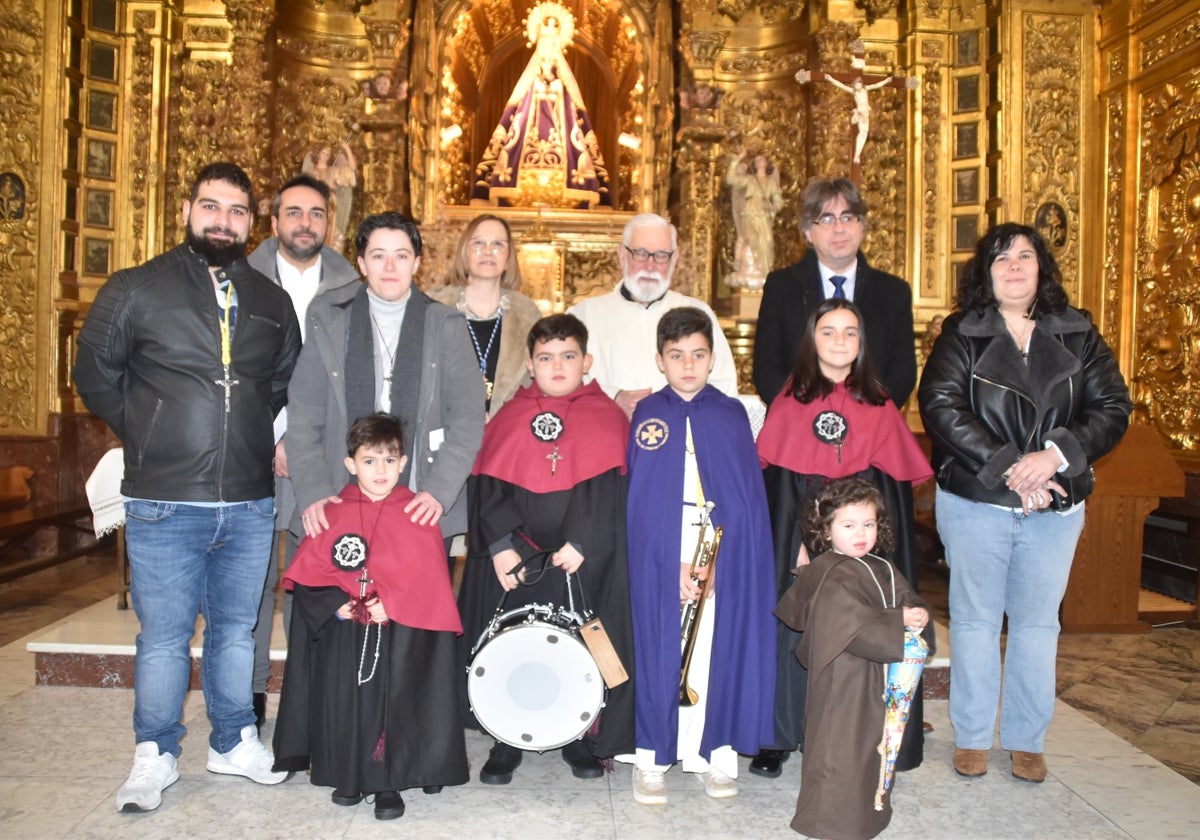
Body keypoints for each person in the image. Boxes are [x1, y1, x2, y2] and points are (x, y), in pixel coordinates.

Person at [73, 162, 302, 813]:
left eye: (236, 211)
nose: (222, 221)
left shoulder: (271, 301)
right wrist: (147, 429)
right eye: (211, 206)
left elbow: (284, 381)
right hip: (165, 501)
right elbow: (94, 370)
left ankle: (233, 742)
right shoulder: (135, 289)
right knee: (166, 637)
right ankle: (155, 754)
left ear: (250, 222)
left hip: (251, 501)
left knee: (236, 631)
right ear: (187, 210)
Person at [918, 222, 1131, 783]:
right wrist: (1014, 466)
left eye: (1025, 256)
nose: (1014, 266)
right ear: (985, 273)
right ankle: (971, 737)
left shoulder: (1079, 333)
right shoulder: (962, 332)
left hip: (1055, 501)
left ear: (1042, 267)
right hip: (977, 497)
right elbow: (940, 408)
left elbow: (1112, 407)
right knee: (975, 622)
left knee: (1038, 626)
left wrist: (1055, 455)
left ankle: (1026, 739)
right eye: (1001, 258)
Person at [754, 298, 933, 779]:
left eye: (849, 332)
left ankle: (863, 734)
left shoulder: (878, 404)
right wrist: (796, 550)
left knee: (859, 634)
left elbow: (890, 493)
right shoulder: (789, 402)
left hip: (861, 545)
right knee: (791, 632)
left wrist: (868, 547)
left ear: (862, 342)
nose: (839, 341)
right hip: (802, 549)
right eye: (828, 331)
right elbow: (782, 493)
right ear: (812, 340)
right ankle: (777, 735)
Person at [460, 313, 635, 785]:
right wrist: (500, 546)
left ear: (586, 361)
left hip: (579, 560)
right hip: (517, 560)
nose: (557, 367)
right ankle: (506, 738)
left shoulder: (606, 417)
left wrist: (584, 541)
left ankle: (578, 736)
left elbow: (608, 492)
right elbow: (490, 485)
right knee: (509, 647)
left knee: (577, 650)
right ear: (530, 364)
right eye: (545, 358)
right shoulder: (510, 417)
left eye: (567, 357)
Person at [272, 413, 469, 821]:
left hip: (399, 639)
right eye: (369, 460)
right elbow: (310, 578)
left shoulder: (418, 516)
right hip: (346, 637)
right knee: (346, 705)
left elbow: (429, 583)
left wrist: (392, 603)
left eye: (389, 460)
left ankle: (387, 784)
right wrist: (333, 605)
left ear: (403, 464)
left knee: (390, 707)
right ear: (350, 464)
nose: (380, 470)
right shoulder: (332, 512)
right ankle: (348, 774)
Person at [625, 307, 775, 804]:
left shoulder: (731, 414)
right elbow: (640, 503)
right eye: (676, 356)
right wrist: (672, 564)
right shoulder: (649, 415)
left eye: (697, 355)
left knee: (715, 652)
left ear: (712, 359)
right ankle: (652, 759)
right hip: (663, 555)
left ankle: (717, 755)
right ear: (660, 360)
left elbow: (746, 501)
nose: (687, 365)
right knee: (659, 647)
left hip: (721, 554)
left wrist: (719, 564)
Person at [283, 212, 484, 582]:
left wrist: (438, 492)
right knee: (337, 621)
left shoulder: (446, 326)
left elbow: (469, 420)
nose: (390, 267)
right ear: (361, 263)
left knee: (408, 621)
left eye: (401, 256)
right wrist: (313, 491)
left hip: (419, 497)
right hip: (338, 496)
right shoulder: (329, 321)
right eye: (378, 256)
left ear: (417, 263)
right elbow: (304, 418)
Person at [248, 173, 360, 730]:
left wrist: (308, 443)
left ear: (328, 223)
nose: (304, 224)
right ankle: (248, 696)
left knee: (313, 582)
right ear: (273, 222)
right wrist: (273, 437)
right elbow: (235, 374)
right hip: (254, 458)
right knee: (252, 584)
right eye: (293, 213)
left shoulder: (353, 286)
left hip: (323, 458)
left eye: (316, 214)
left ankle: (306, 696)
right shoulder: (240, 280)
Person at [774, 477, 932, 840]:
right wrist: (898, 621)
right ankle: (828, 821)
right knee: (839, 749)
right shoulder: (831, 572)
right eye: (848, 525)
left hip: (877, 677)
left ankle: (868, 812)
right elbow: (850, 627)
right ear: (826, 530)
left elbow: (906, 598)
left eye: (869, 524)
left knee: (870, 748)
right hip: (843, 682)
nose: (861, 533)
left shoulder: (882, 567)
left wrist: (917, 613)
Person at [752, 177, 915, 409]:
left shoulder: (893, 292)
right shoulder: (782, 286)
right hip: (798, 426)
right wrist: (804, 414)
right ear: (808, 232)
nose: (839, 229)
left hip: (870, 429)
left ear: (862, 226)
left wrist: (865, 414)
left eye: (847, 217)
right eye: (827, 219)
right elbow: (766, 369)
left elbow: (902, 373)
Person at [569, 213, 739, 418]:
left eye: (661, 255)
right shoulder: (584, 316)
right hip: (609, 436)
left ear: (674, 259)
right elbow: (563, 383)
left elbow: (724, 387)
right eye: (640, 253)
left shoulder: (698, 314)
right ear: (622, 254)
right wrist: (614, 398)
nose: (650, 266)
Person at [470, 2, 610, 208]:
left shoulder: (565, 81)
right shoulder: (530, 79)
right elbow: (514, 109)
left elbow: (577, 112)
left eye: (553, 40)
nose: (549, 45)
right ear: (538, 40)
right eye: (545, 39)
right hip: (529, 132)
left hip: (561, 136)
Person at [428, 214, 542, 418]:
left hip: (508, 434)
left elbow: (537, 385)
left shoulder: (527, 313)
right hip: (445, 434)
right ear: (464, 253)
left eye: (498, 244)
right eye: (479, 243)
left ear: (508, 258)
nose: (488, 251)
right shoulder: (433, 308)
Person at [726, 151, 783, 284]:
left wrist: (771, 206)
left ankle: (764, 270)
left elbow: (778, 201)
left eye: (762, 160)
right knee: (750, 242)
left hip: (763, 216)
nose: (759, 162)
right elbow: (731, 179)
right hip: (750, 214)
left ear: (766, 163)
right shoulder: (750, 180)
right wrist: (737, 160)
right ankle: (749, 270)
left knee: (766, 242)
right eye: (757, 160)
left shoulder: (770, 183)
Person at [302, 142, 357, 249]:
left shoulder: (333, 172)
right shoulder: (309, 173)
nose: (325, 156)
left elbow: (352, 169)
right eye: (323, 153)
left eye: (328, 154)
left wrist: (347, 149)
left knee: (331, 236)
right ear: (317, 154)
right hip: (312, 206)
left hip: (329, 207)